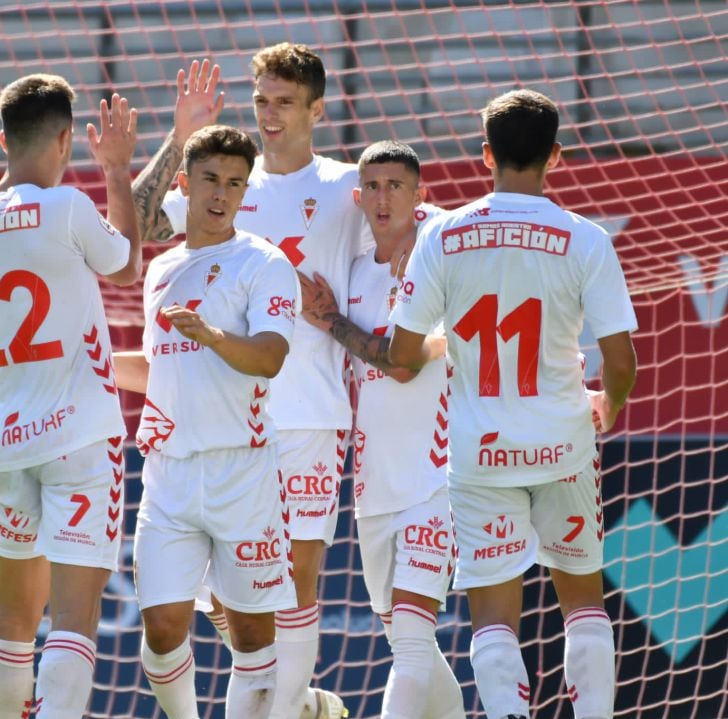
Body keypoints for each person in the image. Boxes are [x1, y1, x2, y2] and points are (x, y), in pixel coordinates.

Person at [132, 45, 411, 719]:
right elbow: (138, 227)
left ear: (317, 108)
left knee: (296, 587)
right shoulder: (227, 182)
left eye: (285, 101)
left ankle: (284, 707)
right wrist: (177, 140)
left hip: (308, 410)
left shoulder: (350, 187)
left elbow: (409, 239)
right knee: (232, 608)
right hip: (219, 423)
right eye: (262, 100)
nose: (271, 113)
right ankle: (295, 700)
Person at [389, 90, 638, 719]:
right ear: (555, 154)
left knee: (493, 618)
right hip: (564, 444)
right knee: (583, 604)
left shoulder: (443, 234)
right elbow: (622, 362)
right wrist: (607, 402)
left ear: (485, 155)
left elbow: (402, 351)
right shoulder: (586, 240)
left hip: (480, 454)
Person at [0, 75, 142, 718]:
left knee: (12, 621)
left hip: (5, 439)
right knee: (73, 619)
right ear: (65, 140)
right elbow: (126, 264)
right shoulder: (69, 207)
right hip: (80, 435)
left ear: (2, 140)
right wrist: (116, 171)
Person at [113, 125, 298, 718]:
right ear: (185, 185)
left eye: (236, 184)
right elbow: (165, 365)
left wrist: (213, 336)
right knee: (163, 630)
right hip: (168, 472)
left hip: (240, 472)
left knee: (251, 639)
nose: (223, 194)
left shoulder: (263, 263)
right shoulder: (161, 268)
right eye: (212, 180)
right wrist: (89, 361)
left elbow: (269, 356)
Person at [298, 140, 465, 719]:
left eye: (396, 186)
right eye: (372, 186)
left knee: (414, 644)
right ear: (357, 196)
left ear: (419, 194)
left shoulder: (442, 258)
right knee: (408, 646)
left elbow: (402, 362)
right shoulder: (349, 271)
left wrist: (335, 322)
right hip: (374, 488)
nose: (383, 197)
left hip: (436, 480)